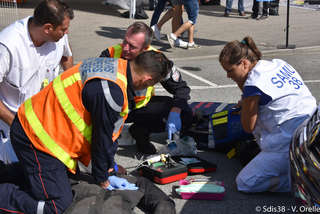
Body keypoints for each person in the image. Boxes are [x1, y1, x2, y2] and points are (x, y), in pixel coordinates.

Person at [0, 51, 173, 213]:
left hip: (42, 127)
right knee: (58, 204)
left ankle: (5, 174)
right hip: (37, 137)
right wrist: (103, 178)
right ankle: (5, 197)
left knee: (56, 181)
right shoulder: (111, 92)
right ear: (146, 80)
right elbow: (101, 140)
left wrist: (109, 168)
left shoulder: (113, 66)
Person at [219, 36, 317, 192]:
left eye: (230, 71)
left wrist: (245, 100)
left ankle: (299, 183)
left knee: (245, 182)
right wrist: (248, 101)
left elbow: (247, 127)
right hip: (313, 126)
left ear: (244, 63)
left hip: (289, 143)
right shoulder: (278, 64)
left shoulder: (253, 85)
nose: (228, 76)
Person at [100, 22, 193, 154]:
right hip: (113, 108)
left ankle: (141, 131)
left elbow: (181, 89)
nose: (125, 48)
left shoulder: (157, 60)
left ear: (145, 49)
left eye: (132, 46)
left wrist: (176, 112)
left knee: (185, 112)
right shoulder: (110, 55)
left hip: (138, 108)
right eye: (125, 41)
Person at [0, 0, 74, 164]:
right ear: (48, 28)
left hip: (46, 121)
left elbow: (66, 56)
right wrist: (19, 126)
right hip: (11, 126)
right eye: (63, 29)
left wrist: (71, 87)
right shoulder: (8, 46)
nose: (66, 32)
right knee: (18, 171)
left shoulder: (59, 38)